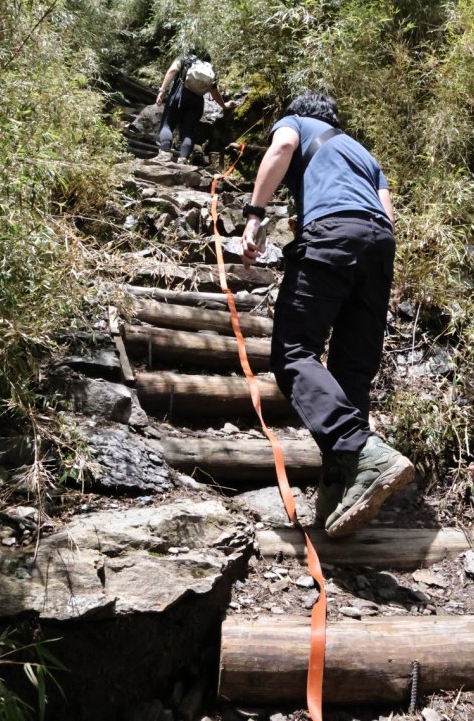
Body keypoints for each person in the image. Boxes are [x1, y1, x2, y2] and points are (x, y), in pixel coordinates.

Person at [241, 91, 414, 538]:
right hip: (378, 247)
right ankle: (342, 490)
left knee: (294, 353)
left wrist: (254, 216)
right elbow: (385, 218)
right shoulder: (365, 155)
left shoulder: (295, 123)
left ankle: (362, 451)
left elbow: (280, 150)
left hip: (332, 236)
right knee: (350, 372)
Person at [155, 51, 234, 163]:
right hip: (197, 102)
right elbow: (214, 91)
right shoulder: (209, 68)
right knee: (188, 131)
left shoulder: (185, 58)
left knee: (168, 125)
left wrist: (162, 90)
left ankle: (164, 153)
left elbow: (172, 70)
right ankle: (183, 159)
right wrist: (224, 105)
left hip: (179, 95)